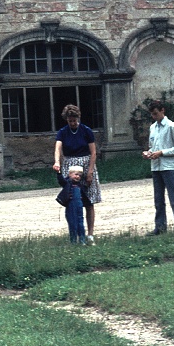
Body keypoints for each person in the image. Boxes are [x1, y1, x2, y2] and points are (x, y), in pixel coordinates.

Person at [53, 104, 101, 245]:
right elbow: (58, 147)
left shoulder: (86, 131)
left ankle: (90, 234)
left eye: (74, 120)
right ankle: (74, 235)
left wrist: (90, 171)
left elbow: (93, 152)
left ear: (78, 118)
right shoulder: (63, 132)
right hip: (70, 165)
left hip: (86, 164)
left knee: (89, 200)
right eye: (70, 121)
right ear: (66, 120)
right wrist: (57, 162)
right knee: (72, 199)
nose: (73, 123)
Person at [142, 99, 174, 234]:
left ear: (162, 111)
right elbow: (152, 146)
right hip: (156, 167)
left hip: (169, 166)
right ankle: (160, 227)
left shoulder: (172, 126)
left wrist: (162, 153)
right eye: (152, 115)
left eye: (156, 114)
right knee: (158, 199)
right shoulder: (152, 127)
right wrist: (148, 153)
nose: (154, 117)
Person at [56, 165, 87, 245]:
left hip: (79, 205)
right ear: (69, 174)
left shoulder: (80, 185)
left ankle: (82, 239)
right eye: (76, 174)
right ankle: (73, 240)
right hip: (71, 204)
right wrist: (59, 173)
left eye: (80, 175)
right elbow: (61, 181)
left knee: (80, 221)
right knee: (72, 222)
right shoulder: (67, 183)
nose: (78, 177)